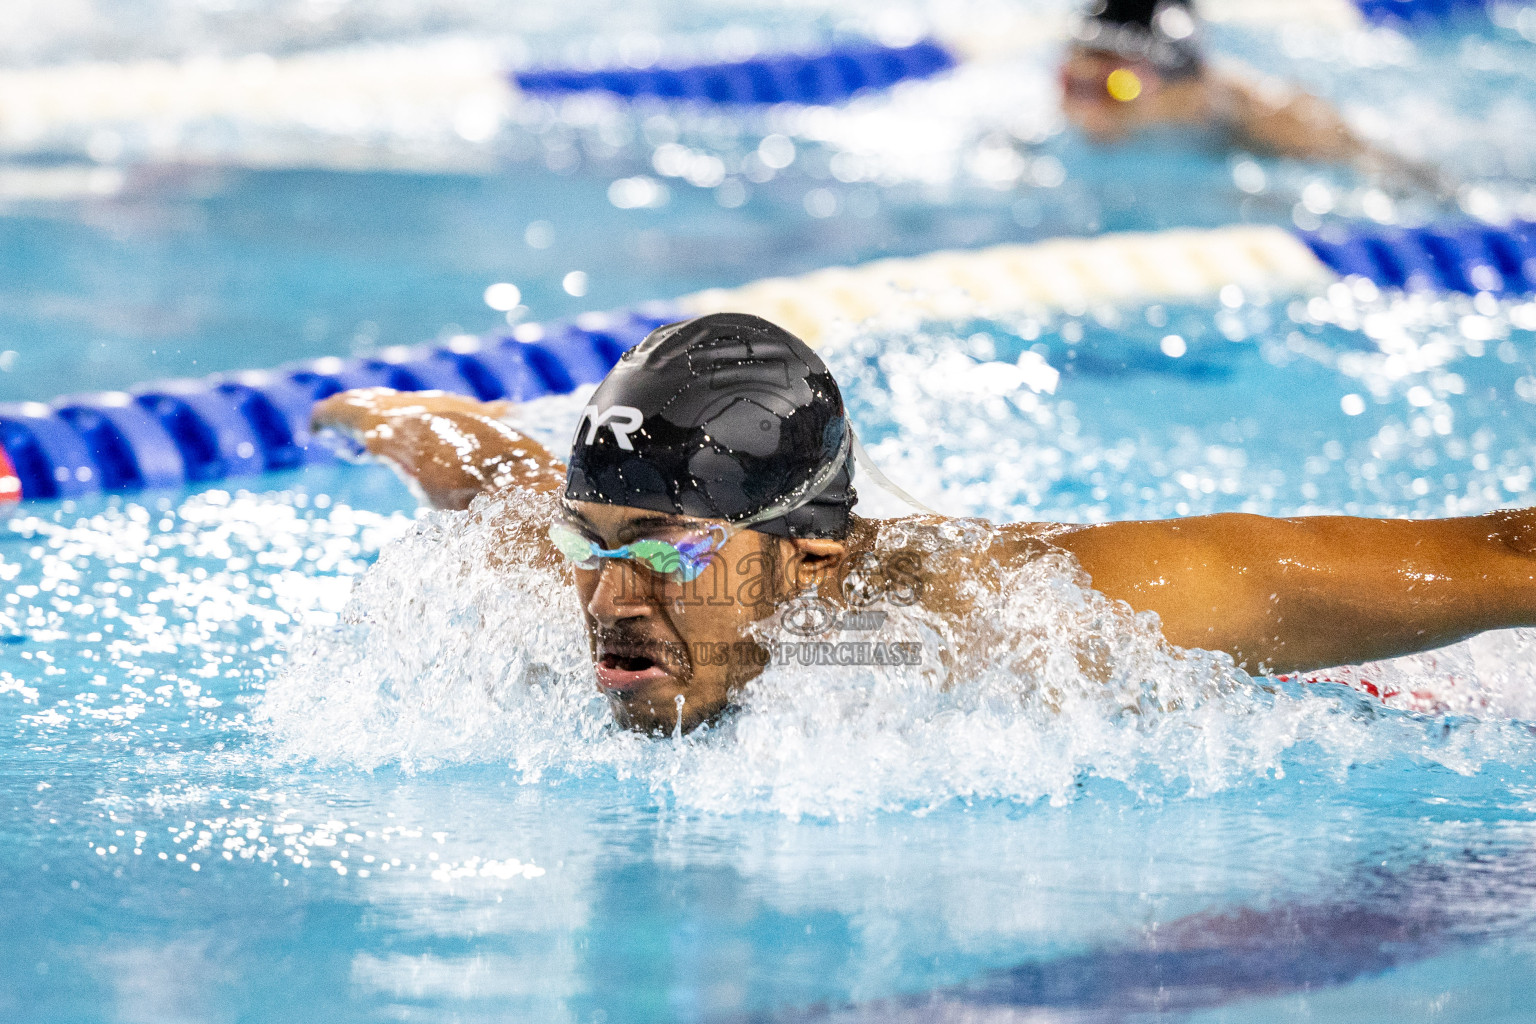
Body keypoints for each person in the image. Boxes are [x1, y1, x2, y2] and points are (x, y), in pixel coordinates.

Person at [312, 312, 1536, 734]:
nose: (605, 597)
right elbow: (499, 483)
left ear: (813, 558)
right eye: (594, 539)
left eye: (666, 549)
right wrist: (400, 421)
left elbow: (1504, 555)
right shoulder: (586, 555)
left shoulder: (998, 611)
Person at [1060, 0, 1444, 190]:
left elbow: (1391, 168)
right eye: (1073, 83)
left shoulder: (1276, 118)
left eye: (1118, 88)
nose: (1089, 112)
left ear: (1192, 89)